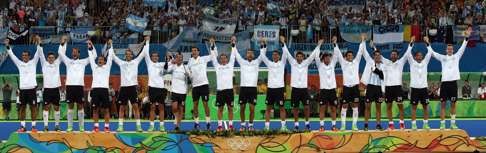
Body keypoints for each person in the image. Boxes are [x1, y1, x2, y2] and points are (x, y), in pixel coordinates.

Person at [430, 27, 471, 130]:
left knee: (453, 104)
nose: (449, 50)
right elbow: (433, 54)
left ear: (453, 50)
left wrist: (466, 38)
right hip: (444, 84)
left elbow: (462, 48)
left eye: (451, 49)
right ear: (446, 50)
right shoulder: (442, 58)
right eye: (448, 49)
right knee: (443, 105)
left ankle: (452, 124)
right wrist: (427, 44)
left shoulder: (457, 56)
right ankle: (442, 124)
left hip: (453, 84)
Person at [285, 36, 320, 131]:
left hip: (304, 90)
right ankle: (296, 125)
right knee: (295, 108)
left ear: (303, 57)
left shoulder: (306, 63)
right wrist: (283, 43)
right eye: (298, 56)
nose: (299, 58)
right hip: (295, 89)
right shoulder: (292, 62)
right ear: (295, 57)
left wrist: (318, 45)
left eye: (301, 56)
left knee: (306, 107)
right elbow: (287, 54)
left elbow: (312, 55)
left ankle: (307, 124)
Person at [112, 38, 147, 132]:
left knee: (135, 107)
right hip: (123, 88)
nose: (128, 56)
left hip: (132, 88)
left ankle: (138, 126)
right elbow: (113, 56)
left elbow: (143, 53)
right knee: (122, 107)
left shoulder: (135, 62)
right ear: (125, 56)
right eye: (126, 54)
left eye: (130, 54)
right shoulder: (121, 63)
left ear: (132, 55)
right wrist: (110, 45)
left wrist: (147, 42)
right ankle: (120, 126)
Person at [6, 38, 40, 132]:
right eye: (23, 55)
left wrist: (39, 43)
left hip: (32, 90)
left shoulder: (33, 62)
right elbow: (12, 56)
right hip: (23, 90)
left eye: (26, 55)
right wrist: (8, 46)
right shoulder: (19, 64)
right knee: (22, 108)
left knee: (33, 108)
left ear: (29, 56)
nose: (24, 57)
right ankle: (23, 127)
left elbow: (38, 52)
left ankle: (33, 127)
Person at [58, 35, 91, 132]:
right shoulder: (68, 61)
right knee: (70, 107)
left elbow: (94, 56)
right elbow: (60, 52)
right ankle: (70, 126)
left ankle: (81, 127)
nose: (74, 54)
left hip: (79, 87)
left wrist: (90, 45)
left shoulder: (84, 62)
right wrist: (63, 42)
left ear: (79, 54)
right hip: (70, 87)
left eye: (76, 52)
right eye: (73, 52)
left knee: (80, 107)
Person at [381, 37, 413, 130]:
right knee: (389, 107)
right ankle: (391, 125)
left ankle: (402, 124)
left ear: (397, 56)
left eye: (395, 54)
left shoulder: (401, 62)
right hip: (388, 88)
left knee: (400, 107)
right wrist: (373, 47)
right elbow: (380, 56)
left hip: (398, 88)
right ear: (390, 56)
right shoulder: (386, 62)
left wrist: (411, 43)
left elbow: (407, 54)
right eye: (392, 54)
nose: (393, 55)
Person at [333, 35, 363, 131]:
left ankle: (354, 125)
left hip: (355, 88)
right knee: (344, 106)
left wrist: (362, 41)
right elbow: (337, 53)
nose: (350, 57)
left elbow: (360, 52)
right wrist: (335, 43)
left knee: (355, 106)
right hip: (346, 88)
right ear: (345, 57)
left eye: (351, 55)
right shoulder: (343, 63)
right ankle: (343, 125)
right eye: (348, 56)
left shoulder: (356, 62)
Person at [234, 38, 262, 132]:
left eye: (251, 53)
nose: (249, 54)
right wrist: (233, 43)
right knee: (242, 108)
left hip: (253, 89)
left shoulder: (257, 62)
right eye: (248, 53)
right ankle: (242, 125)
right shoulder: (242, 62)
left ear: (253, 55)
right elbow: (236, 54)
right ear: (246, 55)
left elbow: (263, 54)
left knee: (252, 109)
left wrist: (263, 44)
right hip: (243, 89)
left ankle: (250, 125)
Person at [260, 38, 288, 132]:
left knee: (282, 108)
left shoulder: (282, 63)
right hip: (270, 89)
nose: (275, 56)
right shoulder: (269, 63)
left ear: (279, 56)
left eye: (276, 55)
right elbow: (263, 56)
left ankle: (283, 127)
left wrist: (283, 43)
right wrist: (264, 45)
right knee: (268, 109)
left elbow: (285, 53)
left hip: (279, 89)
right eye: (273, 55)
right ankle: (266, 127)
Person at [210, 36, 236, 132]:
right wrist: (212, 45)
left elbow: (233, 54)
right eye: (222, 58)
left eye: (225, 58)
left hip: (229, 91)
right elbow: (213, 57)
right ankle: (220, 126)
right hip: (220, 91)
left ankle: (230, 126)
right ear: (220, 60)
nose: (223, 59)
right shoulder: (217, 66)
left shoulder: (230, 65)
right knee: (220, 109)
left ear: (227, 59)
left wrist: (233, 43)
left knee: (230, 108)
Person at [144, 37, 169, 132]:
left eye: (156, 56)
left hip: (161, 89)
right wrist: (147, 41)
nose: (155, 57)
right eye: (153, 56)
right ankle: (151, 125)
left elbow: (167, 68)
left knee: (161, 107)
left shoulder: (162, 64)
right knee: (152, 107)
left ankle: (162, 125)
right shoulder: (149, 63)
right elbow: (146, 52)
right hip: (152, 88)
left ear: (158, 57)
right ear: (151, 57)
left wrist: (167, 59)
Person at [360, 35, 385, 131]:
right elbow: (364, 52)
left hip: (378, 88)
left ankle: (378, 124)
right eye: (376, 55)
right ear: (373, 56)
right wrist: (363, 41)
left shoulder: (383, 66)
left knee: (378, 107)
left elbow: (382, 76)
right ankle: (366, 125)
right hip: (370, 87)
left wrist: (375, 69)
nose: (378, 56)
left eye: (379, 55)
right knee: (367, 107)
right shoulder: (369, 61)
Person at [38, 35, 63, 131]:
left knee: (57, 108)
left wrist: (62, 43)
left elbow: (61, 54)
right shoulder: (44, 64)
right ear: (47, 58)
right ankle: (45, 126)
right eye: (49, 57)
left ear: (54, 58)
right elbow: (40, 54)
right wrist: (40, 43)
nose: (51, 59)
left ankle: (57, 126)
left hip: (56, 89)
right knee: (46, 107)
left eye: (53, 57)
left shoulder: (57, 63)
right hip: (47, 89)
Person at [88, 39, 113, 132]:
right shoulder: (94, 67)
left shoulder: (107, 67)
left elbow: (110, 56)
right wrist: (90, 46)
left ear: (104, 61)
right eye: (99, 60)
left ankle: (106, 127)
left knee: (106, 110)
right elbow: (91, 57)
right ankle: (96, 127)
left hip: (104, 90)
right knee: (95, 110)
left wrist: (110, 45)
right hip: (95, 90)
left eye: (102, 60)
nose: (100, 61)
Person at [408, 36, 433, 130]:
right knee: (413, 108)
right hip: (414, 88)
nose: (419, 57)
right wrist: (411, 43)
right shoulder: (412, 63)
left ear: (422, 57)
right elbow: (408, 53)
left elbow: (430, 52)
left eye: (421, 55)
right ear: (415, 57)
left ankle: (425, 124)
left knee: (425, 107)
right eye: (417, 56)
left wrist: (427, 42)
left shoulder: (425, 62)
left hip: (423, 88)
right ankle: (413, 125)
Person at [315, 41, 338, 131]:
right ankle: (321, 126)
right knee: (322, 109)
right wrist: (319, 45)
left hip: (332, 90)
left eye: (329, 57)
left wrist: (335, 44)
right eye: (326, 58)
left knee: (333, 108)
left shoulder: (332, 64)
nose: (328, 59)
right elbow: (316, 56)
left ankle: (334, 126)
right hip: (324, 90)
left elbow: (336, 55)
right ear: (323, 59)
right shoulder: (320, 66)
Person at [187, 45, 211, 130]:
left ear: (198, 52)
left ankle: (208, 122)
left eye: (195, 50)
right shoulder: (190, 61)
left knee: (205, 104)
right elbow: (187, 71)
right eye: (193, 51)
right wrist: (189, 75)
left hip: (204, 85)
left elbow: (214, 55)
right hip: (195, 86)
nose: (194, 52)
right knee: (195, 105)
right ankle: (196, 123)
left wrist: (212, 46)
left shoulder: (204, 59)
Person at [167, 52, 190, 131]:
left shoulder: (185, 67)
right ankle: (176, 119)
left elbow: (191, 76)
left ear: (182, 59)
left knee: (180, 108)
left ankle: (178, 125)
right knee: (174, 107)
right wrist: (170, 61)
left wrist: (188, 75)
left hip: (183, 91)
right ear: (176, 58)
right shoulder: (173, 66)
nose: (179, 59)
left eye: (180, 57)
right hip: (174, 90)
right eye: (178, 57)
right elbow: (166, 69)